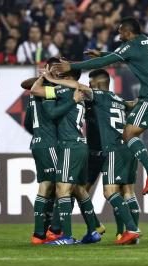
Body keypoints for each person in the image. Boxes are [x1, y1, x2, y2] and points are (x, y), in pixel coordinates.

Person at [52, 17, 148, 198]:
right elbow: (126, 55)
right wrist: (103, 54)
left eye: (120, 31)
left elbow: (105, 63)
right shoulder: (147, 41)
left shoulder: (132, 45)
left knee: (128, 134)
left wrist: (71, 65)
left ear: (128, 31)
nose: (118, 35)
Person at [44, 69, 141, 245]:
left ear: (96, 84)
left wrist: (50, 79)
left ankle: (129, 230)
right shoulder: (117, 99)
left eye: (90, 82)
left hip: (108, 150)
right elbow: (131, 104)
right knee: (86, 190)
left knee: (107, 191)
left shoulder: (97, 96)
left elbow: (78, 86)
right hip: (117, 149)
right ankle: (97, 228)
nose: (87, 85)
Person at [30, 68, 101, 245]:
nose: (59, 75)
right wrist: (45, 77)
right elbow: (34, 90)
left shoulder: (63, 91)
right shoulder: (81, 91)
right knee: (78, 189)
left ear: (68, 77)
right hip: (80, 145)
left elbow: (37, 94)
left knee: (62, 188)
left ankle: (66, 236)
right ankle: (93, 231)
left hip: (70, 145)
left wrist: (45, 77)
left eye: (62, 74)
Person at [22, 57, 78, 244]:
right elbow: (55, 114)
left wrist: (39, 132)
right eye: (54, 68)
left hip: (38, 142)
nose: (57, 71)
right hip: (50, 143)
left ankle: (40, 234)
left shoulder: (34, 91)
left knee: (47, 186)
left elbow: (27, 122)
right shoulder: (51, 91)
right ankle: (53, 231)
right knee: (62, 186)